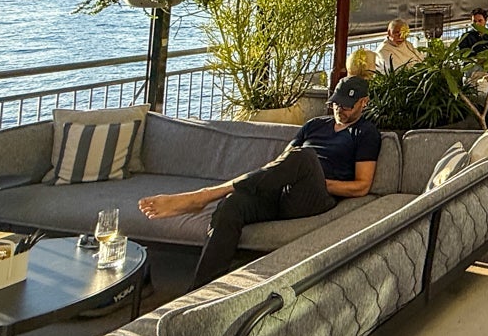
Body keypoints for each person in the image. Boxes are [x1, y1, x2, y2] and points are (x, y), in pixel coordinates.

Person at [139, 74, 380, 286]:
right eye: (337, 102)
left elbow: (362, 186)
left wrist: (314, 179)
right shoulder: (314, 125)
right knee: (232, 205)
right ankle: (202, 291)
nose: (340, 109)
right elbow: (279, 163)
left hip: (316, 196)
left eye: (347, 105)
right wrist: (269, 182)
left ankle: (206, 195)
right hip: (282, 191)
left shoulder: (365, 133)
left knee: (305, 157)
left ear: (363, 103)